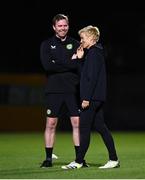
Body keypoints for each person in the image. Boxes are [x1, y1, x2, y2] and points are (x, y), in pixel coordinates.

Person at [61, 25, 120, 169]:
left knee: (84, 129)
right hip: (97, 97)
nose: (81, 41)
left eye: (83, 38)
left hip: (91, 98)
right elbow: (86, 75)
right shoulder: (95, 52)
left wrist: (86, 98)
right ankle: (114, 159)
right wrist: (80, 60)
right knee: (101, 127)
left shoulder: (94, 54)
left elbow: (90, 79)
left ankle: (79, 161)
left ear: (92, 38)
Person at [40, 14, 88, 168]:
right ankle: (48, 159)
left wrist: (63, 63)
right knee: (51, 123)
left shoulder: (75, 43)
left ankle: (80, 159)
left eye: (65, 25)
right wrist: (70, 62)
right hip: (53, 90)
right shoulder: (46, 45)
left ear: (68, 26)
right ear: (54, 27)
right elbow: (48, 66)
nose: (63, 28)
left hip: (72, 90)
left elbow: (79, 66)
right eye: (59, 26)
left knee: (76, 123)